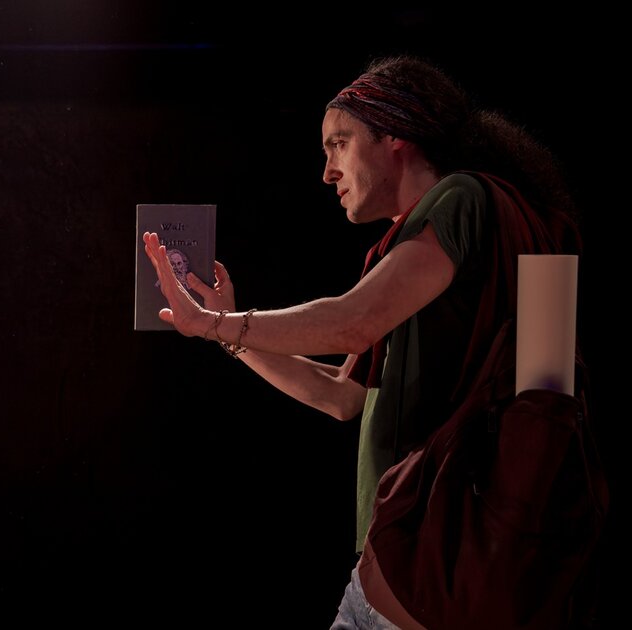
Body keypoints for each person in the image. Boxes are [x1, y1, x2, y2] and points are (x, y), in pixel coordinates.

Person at [143, 56, 584, 628]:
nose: (328, 172)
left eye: (339, 143)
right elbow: (341, 395)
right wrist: (226, 328)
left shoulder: (461, 198)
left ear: (396, 133)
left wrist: (212, 323)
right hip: (445, 565)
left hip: (423, 559)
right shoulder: (509, 224)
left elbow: (353, 322)